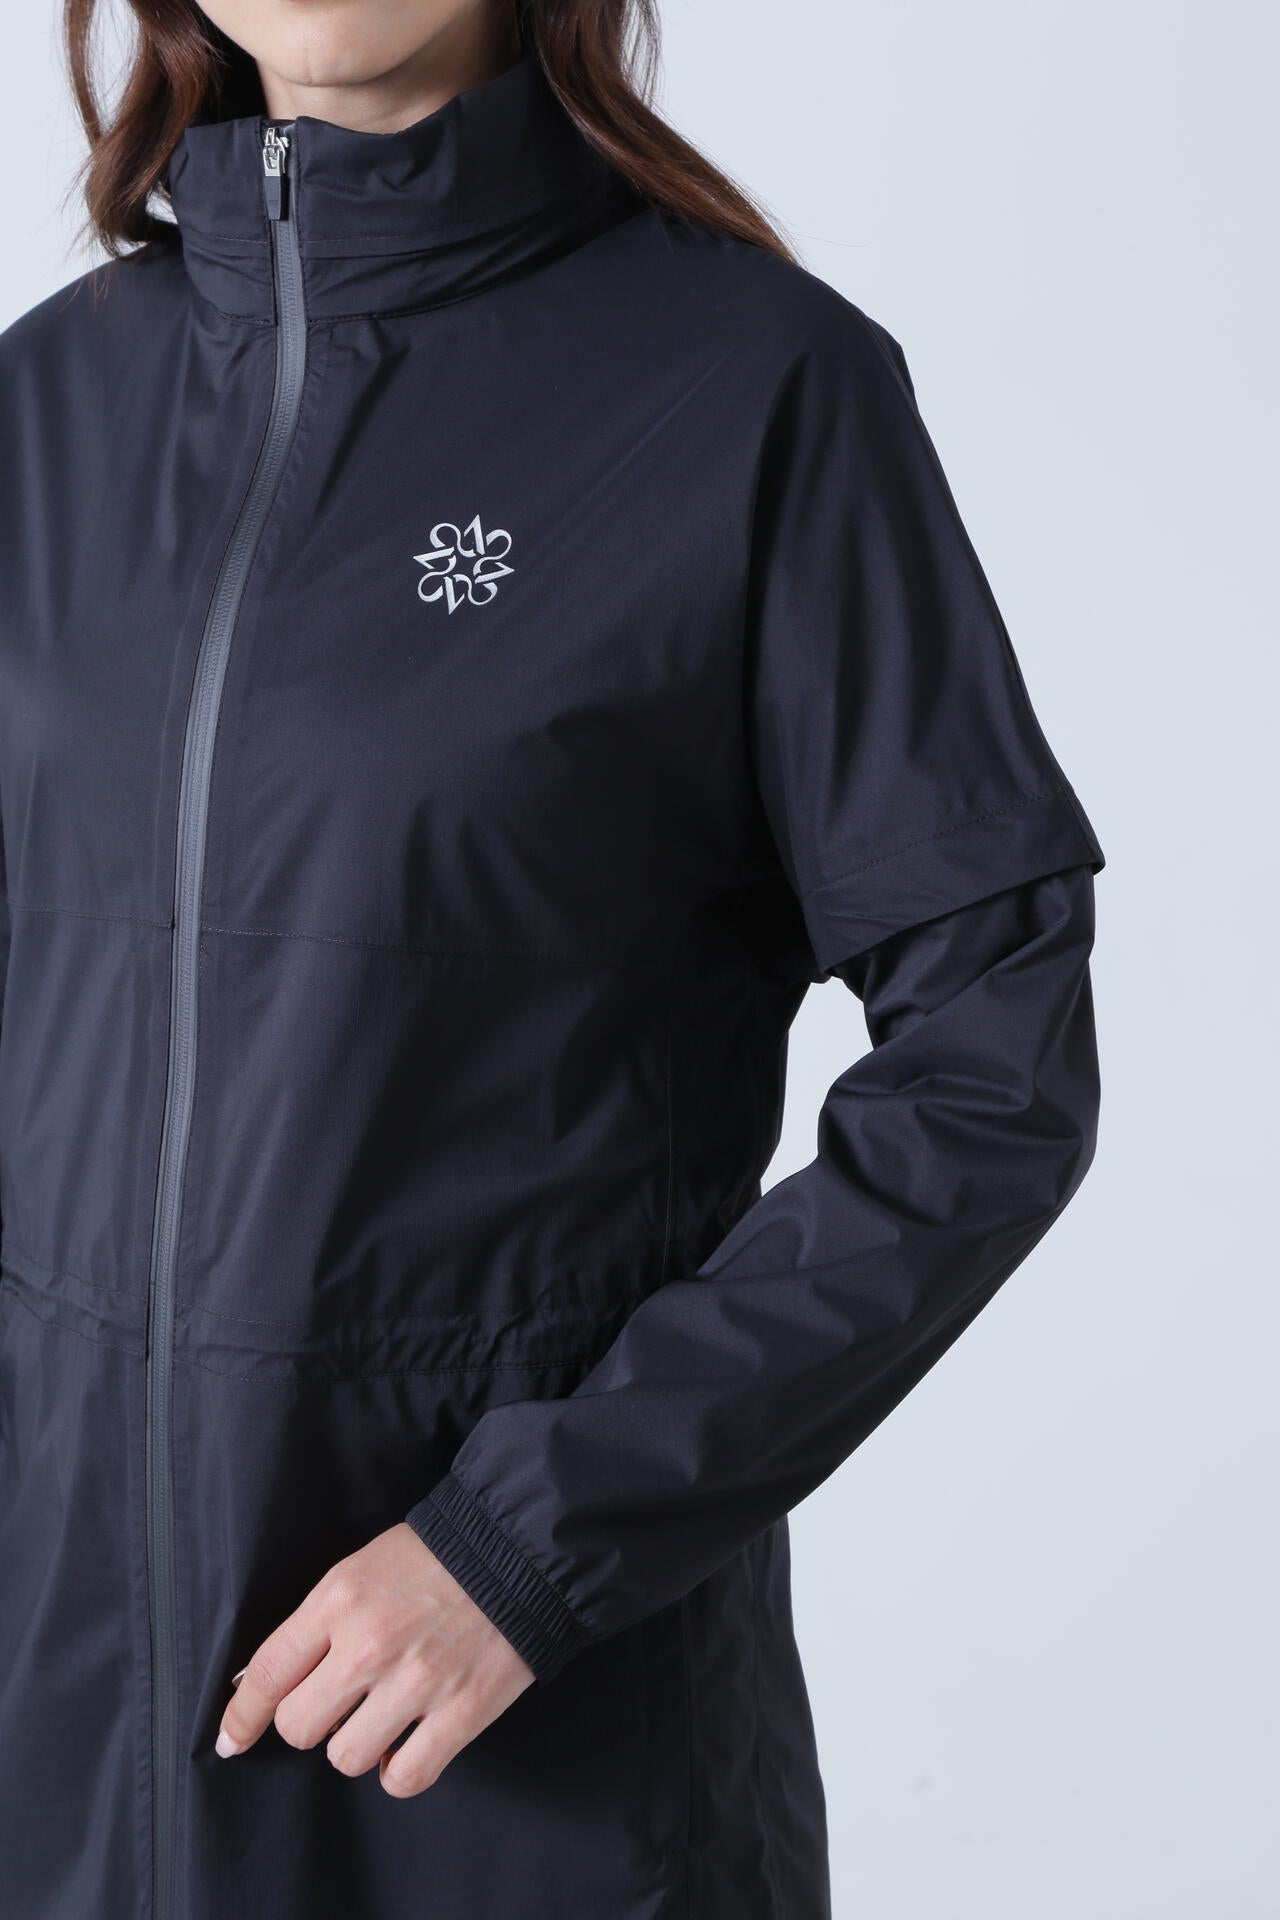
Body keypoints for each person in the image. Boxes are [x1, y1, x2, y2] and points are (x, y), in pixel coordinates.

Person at [0, 1, 1107, 1914]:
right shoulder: (45, 408)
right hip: (63, 1726)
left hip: (521, 1755)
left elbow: (993, 1057)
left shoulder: (755, 389)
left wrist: (532, 1542)